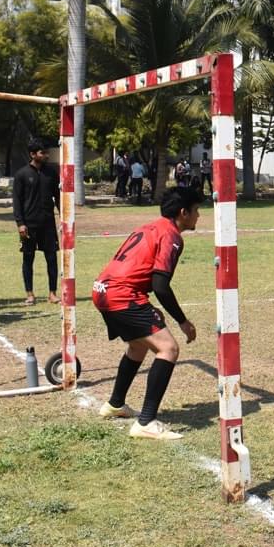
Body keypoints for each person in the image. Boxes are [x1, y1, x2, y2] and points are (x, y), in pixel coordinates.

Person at [92, 187, 203, 440]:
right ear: (183, 213)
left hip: (102, 289)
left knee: (138, 346)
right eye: (196, 211)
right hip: (122, 294)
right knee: (169, 349)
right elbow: (160, 286)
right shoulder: (172, 236)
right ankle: (146, 421)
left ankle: (115, 404)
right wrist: (183, 321)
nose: (199, 216)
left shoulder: (149, 227)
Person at [13, 138, 60, 306]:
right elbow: (17, 201)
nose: (46, 155)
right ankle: (30, 293)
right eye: (43, 152)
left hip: (48, 223)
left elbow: (58, 196)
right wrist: (20, 223)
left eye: (47, 152)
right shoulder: (22, 174)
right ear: (33, 154)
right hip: (29, 224)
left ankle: (52, 293)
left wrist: (63, 216)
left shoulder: (52, 172)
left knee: (52, 258)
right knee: (28, 258)